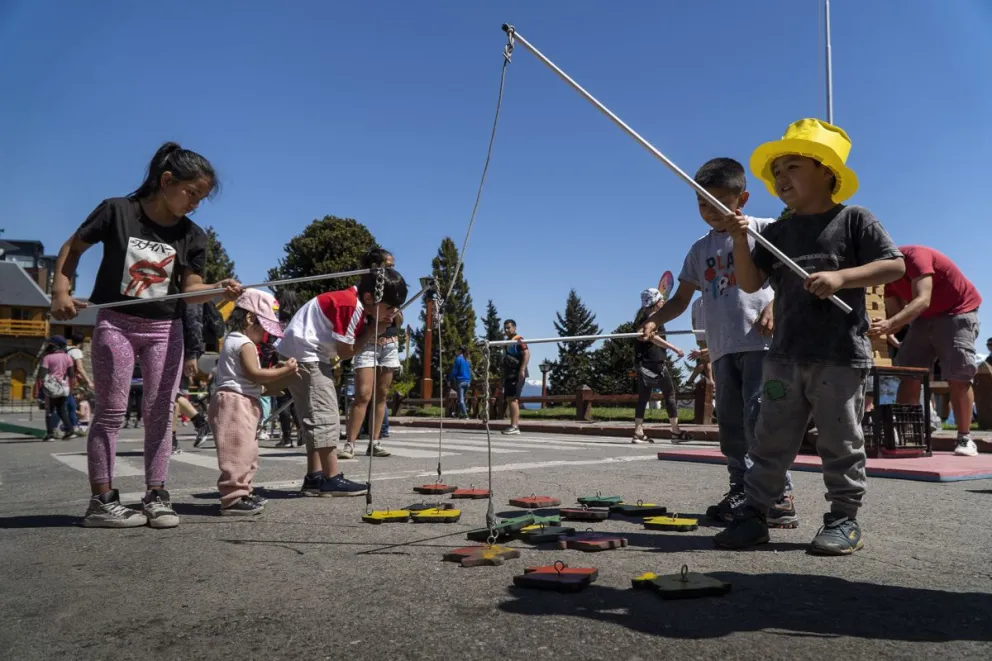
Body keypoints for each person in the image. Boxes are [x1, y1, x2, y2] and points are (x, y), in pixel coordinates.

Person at [712, 118, 905, 554]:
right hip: (784, 355)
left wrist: (842, 278)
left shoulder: (853, 220)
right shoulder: (777, 232)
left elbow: (895, 265)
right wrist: (742, 240)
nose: (781, 179)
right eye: (776, 173)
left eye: (792, 167)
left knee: (840, 441)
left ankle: (842, 519)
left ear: (826, 171)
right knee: (771, 438)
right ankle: (755, 515)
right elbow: (748, 283)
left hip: (839, 355)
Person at [50, 142, 242, 529]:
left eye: (201, 198)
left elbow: (190, 288)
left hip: (164, 329)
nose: (195, 204)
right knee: (111, 412)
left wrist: (218, 289)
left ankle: (157, 494)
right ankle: (102, 500)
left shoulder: (193, 235)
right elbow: (74, 247)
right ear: (166, 180)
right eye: (192, 194)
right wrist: (60, 290)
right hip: (116, 322)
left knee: (160, 412)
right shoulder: (117, 211)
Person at [640, 158, 793, 524]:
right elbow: (680, 299)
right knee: (731, 424)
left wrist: (777, 305)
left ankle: (778, 495)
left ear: (743, 198)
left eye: (721, 202)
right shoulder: (698, 250)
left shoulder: (765, 231)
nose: (710, 212)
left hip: (762, 346)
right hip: (723, 350)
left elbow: (794, 281)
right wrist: (655, 320)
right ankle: (741, 488)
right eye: (703, 204)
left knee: (761, 419)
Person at [276, 267, 408, 497]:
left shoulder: (351, 300)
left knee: (313, 418)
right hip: (309, 356)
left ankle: (314, 476)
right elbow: (346, 352)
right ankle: (331, 478)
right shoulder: (352, 307)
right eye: (389, 308)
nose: (392, 313)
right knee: (326, 416)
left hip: (298, 352)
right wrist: (370, 331)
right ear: (370, 298)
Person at [868, 246, 982, 457]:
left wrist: (889, 324)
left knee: (958, 375)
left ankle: (965, 438)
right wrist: (881, 325)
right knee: (908, 372)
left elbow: (922, 300)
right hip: (924, 317)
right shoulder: (887, 277)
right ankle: (904, 435)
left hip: (957, 310)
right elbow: (894, 312)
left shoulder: (915, 256)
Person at [208, 289, 298, 516]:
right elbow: (255, 374)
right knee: (237, 452)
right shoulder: (244, 342)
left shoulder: (236, 340)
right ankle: (232, 497)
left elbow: (255, 380)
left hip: (243, 401)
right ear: (250, 318)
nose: (266, 335)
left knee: (247, 451)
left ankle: (243, 491)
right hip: (235, 403)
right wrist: (284, 370)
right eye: (264, 328)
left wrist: (281, 376)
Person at [340, 247, 402, 459]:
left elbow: (398, 322)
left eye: (393, 265)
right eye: (388, 265)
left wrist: (394, 311)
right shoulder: (362, 290)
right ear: (375, 266)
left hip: (390, 342)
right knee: (363, 394)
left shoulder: (393, 287)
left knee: (382, 395)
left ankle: (375, 442)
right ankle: (350, 443)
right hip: (368, 342)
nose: (392, 269)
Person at [632, 289, 685, 442]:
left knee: (643, 397)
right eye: (661, 300)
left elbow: (644, 337)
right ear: (655, 303)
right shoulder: (654, 319)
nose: (663, 303)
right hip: (655, 362)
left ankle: (638, 432)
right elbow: (653, 339)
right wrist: (674, 348)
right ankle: (675, 431)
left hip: (642, 362)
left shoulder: (640, 318)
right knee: (669, 395)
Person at [272, 289, 302, 447]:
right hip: (298, 360)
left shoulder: (276, 321)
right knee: (296, 398)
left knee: (282, 398)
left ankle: (287, 437)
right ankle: (301, 431)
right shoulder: (300, 318)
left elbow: (270, 341)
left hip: (280, 359)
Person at [37, 336, 77, 441]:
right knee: (61, 410)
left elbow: (42, 374)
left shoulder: (47, 358)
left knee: (49, 410)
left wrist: (39, 388)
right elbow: (71, 374)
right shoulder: (68, 357)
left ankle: (50, 434)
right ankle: (70, 431)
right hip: (64, 388)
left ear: (54, 345)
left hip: (51, 388)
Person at [501, 319, 529, 435]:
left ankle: (515, 426)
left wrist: (522, 370)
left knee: (513, 398)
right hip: (509, 373)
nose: (507, 330)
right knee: (509, 398)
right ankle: (513, 425)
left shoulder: (519, 340)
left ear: (514, 328)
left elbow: (526, 354)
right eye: (505, 328)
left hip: (517, 373)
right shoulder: (507, 342)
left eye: (509, 327)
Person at [449, 346, 473, 419]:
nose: (456, 352)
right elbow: (469, 372)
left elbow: (454, 371)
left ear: (460, 351)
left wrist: (449, 379)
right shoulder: (467, 360)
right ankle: (457, 414)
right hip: (467, 382)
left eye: (457, 351)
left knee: (461, 399)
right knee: (462, 398)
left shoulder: (458, 359)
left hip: (461, 382)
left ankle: (465, 415)